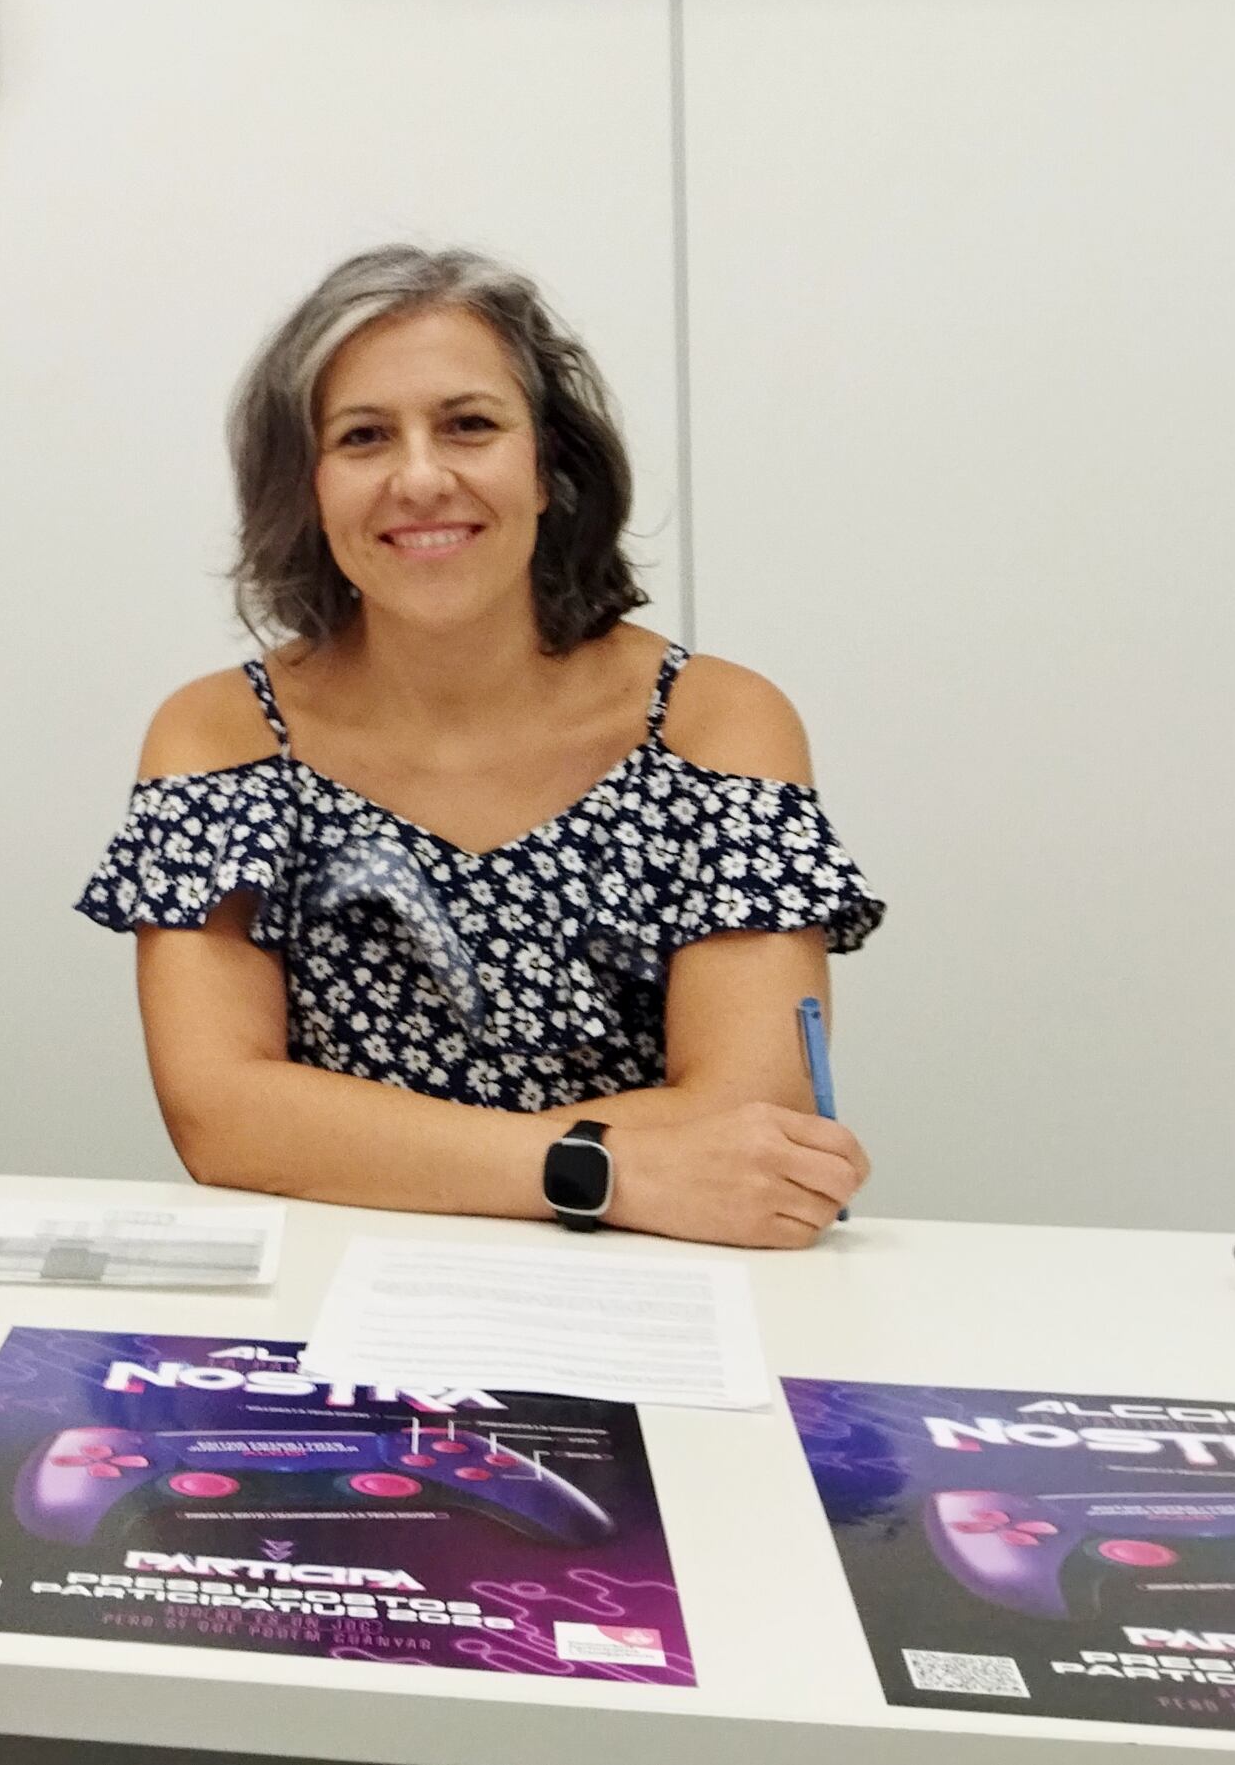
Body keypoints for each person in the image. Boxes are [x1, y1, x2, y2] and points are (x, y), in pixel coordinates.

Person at [79, 245, 883, 1247]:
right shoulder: (218, 738)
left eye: (468, 424)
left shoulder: (715, 725)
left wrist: (360, 1144)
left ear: (547, 467)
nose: (420, 477)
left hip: (655, 1286)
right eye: (363, 436)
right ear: (307, 486)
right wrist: (605, 1170)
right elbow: (224, 1118)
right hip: (334, 1284)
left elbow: (747, 1112)